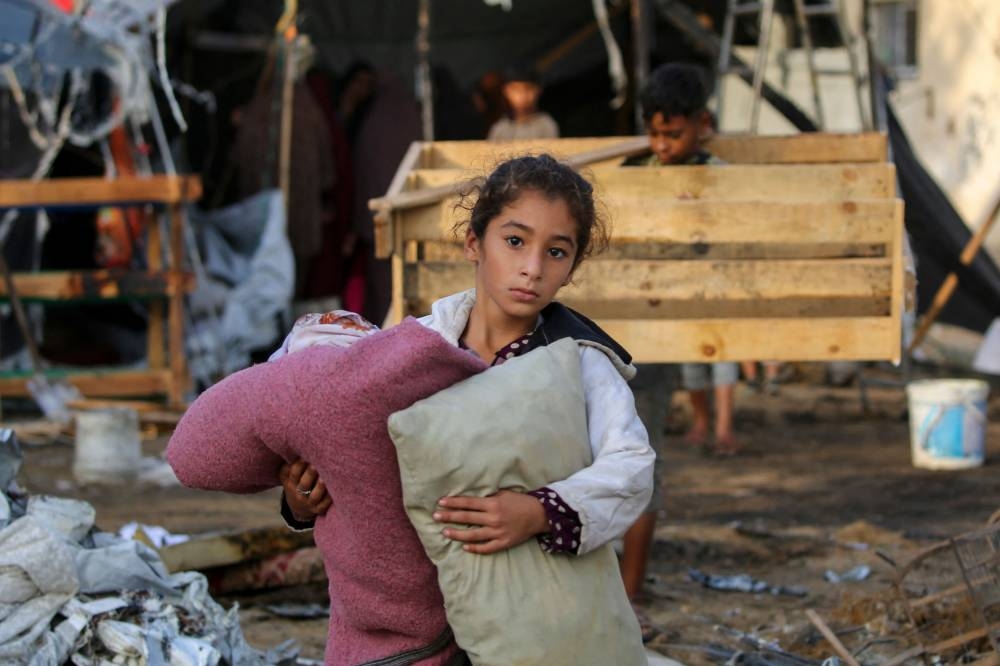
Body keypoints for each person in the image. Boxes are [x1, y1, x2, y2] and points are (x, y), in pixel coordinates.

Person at [176, 154, 653, 662]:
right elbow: (364, 465)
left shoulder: (579, 362)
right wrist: (300, 500)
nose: (532, 268)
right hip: (411, 629)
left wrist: (538, 511)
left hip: (529, 610)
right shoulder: (413, 351)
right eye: (514, 241)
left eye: (556, 252)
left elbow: (631, 467)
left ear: (572, 267)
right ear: (474, 241)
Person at [615, 62, 741, 622]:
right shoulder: (629, 171)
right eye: (656, 133)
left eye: (675, 134)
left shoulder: (719, 177)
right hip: (611, 332)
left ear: (702, 124)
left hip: (661, 343)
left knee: (642, 457)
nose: (662, 145)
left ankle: (631, 588)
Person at [487, 66, 559, 141]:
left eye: (528, 88)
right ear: (506, 91)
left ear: (538, 90)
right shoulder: (500, 129)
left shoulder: (546, 125)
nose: (522, 95)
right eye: (515, 89)